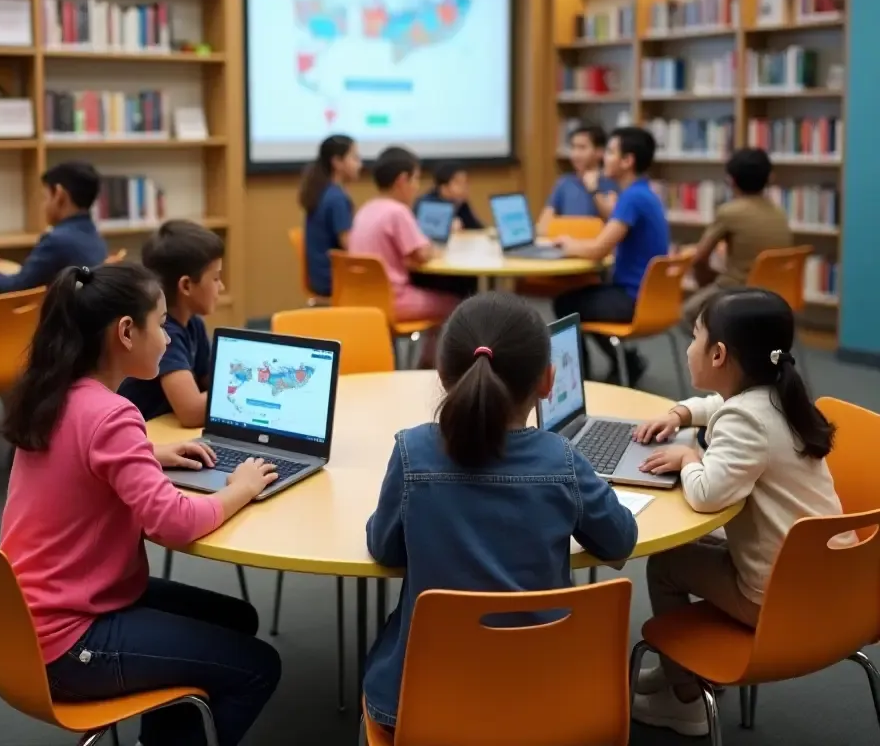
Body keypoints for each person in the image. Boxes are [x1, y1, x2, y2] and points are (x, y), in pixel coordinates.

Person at [1, 262, 281, 746]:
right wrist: (242, 486)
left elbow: (78, 458)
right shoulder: (112, 414)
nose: (170, 339)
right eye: (161, 324)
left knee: (238, 620)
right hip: (69, 640)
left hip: (23, 618)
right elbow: (172, 523)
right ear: (127, 332)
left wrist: (148, 453)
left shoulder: (54, 393)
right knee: (259, 666)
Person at [362, 292, 638, 730]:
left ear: (443, 374)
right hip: (545, 697)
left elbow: (384, 548)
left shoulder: (412, 452)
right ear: (548, 382)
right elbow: (620, 539)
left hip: (420, 704)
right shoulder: (562, 460)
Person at [630, 288, 851, 737]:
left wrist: (689, 459)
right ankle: (682, 670)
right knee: (693, 546)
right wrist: (680, 413)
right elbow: (720, 405)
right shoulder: (777, 396)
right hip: (833, 582)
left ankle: (686, 700)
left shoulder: (745, 420)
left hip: (777, 598)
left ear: (718, 354)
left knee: (668, 564)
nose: (689, 346)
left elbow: (707, 495)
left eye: (694, 337)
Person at [552, 127, 669, 386]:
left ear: (627, 161)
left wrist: (566, 245)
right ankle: (624, 362)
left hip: (631, 298)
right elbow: (610, 232)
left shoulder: (632, 198)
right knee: (585, 298)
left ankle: (578, 380)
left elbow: (598, 249)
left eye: (612, 152)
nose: (605, 157)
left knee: (565, 304)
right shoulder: (644, 193)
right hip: (649, 298)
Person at [348, 146, 460, 356]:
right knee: (459, 304)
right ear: (402, 180)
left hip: (361, 299)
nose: (417, 187)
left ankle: (425, 362)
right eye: (415, 179)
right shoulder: (398, 212)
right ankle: (429, 363)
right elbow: (422, 254)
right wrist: (435, 249)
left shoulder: (366, 209)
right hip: (395, 301)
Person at [119, 220, 224, 425]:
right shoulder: (164, 334)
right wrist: (244, 396)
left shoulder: (193, 324)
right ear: (186, 285)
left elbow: (212, 383)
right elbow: (191, 411)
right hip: (142, 435)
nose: (221, 286)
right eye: (216, 278)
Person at [682, 148, 792, 328]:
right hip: (776, 294)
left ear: (730, 180)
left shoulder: (729, 212)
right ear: (770, 178)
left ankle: (721, 351)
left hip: (740, 293)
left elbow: (699, 258)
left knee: (688, 313)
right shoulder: (780, 213)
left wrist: (708, 282)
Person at [0, 161, 107, 293]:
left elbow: (18, 287)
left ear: (59, 195)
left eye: (44, 198)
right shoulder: (92, 232)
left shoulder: (56, 240)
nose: (43, 206)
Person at [299, 134, 361, 299]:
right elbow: (350, 245)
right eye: (355, 158)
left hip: (318, 278)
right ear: (337, 162)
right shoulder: (337, 198)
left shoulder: (321, 191)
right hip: (333, 280)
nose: (359, 164)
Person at [537, 123, 617, 234]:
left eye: (582, 148)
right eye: (573, 147)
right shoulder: (564, 182)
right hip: (567, 245)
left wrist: (594, 190)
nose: (575, 154)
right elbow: (543, 225)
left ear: (600, 152)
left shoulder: (612, 182)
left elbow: (613, 220)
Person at [414, 161, 484, 231]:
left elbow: (478, 228)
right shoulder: (426, 204)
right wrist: (446, 226)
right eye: (459, 183)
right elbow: (423, 231)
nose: (464, 187)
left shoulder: (461, 204)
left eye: (466, 182)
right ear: (443, 187)